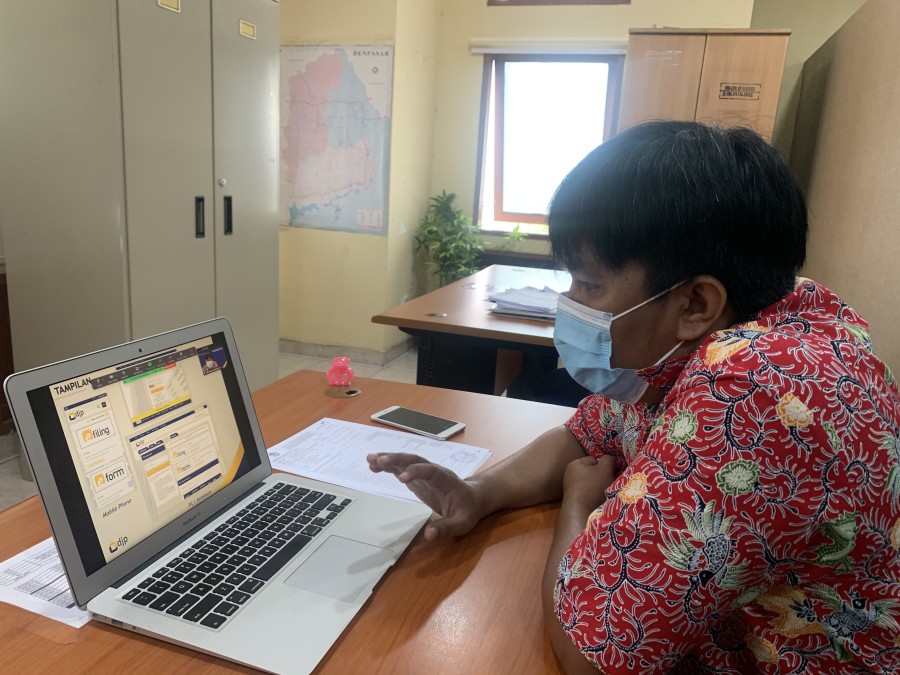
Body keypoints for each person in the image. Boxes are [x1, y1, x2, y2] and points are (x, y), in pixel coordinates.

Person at [368, 121, 900, 673]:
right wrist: (480, 493)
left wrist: (578, 503)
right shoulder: (748, 323)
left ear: (696, 304)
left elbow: (592, 656)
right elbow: (585, 435)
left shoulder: (751, 389)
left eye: (589, 284)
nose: (570, 302)